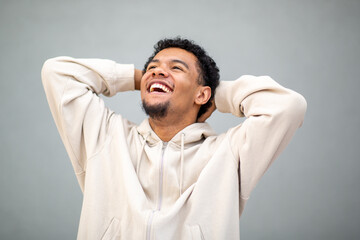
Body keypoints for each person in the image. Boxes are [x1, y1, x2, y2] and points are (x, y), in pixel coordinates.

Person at [41, 37, 307, 240]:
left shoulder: (229, 153)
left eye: (176, 68)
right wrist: (140, 78)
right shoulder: (106, 137)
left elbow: (288, 106)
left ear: (202, 95)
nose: (158, 71)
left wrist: (218, 93)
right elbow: (57, 73)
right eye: (153, 68)